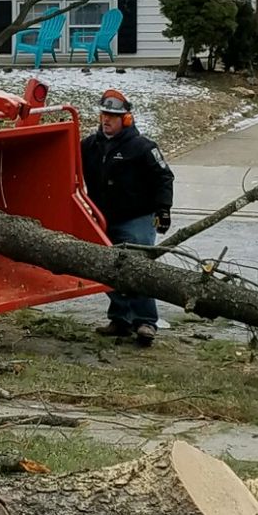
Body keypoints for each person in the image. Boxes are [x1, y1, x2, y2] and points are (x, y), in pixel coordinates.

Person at [80, 87, 175, 346]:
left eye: (112, 115)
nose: (106, 120)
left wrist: (163, 209)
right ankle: (120, 318)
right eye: (104, 114)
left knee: (137, 267)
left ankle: (145, 321)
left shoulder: (143, 147)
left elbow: (164, 177)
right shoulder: (90, 146)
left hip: (136, 218)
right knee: (105, 268)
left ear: (126, 119)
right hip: (103, 217)